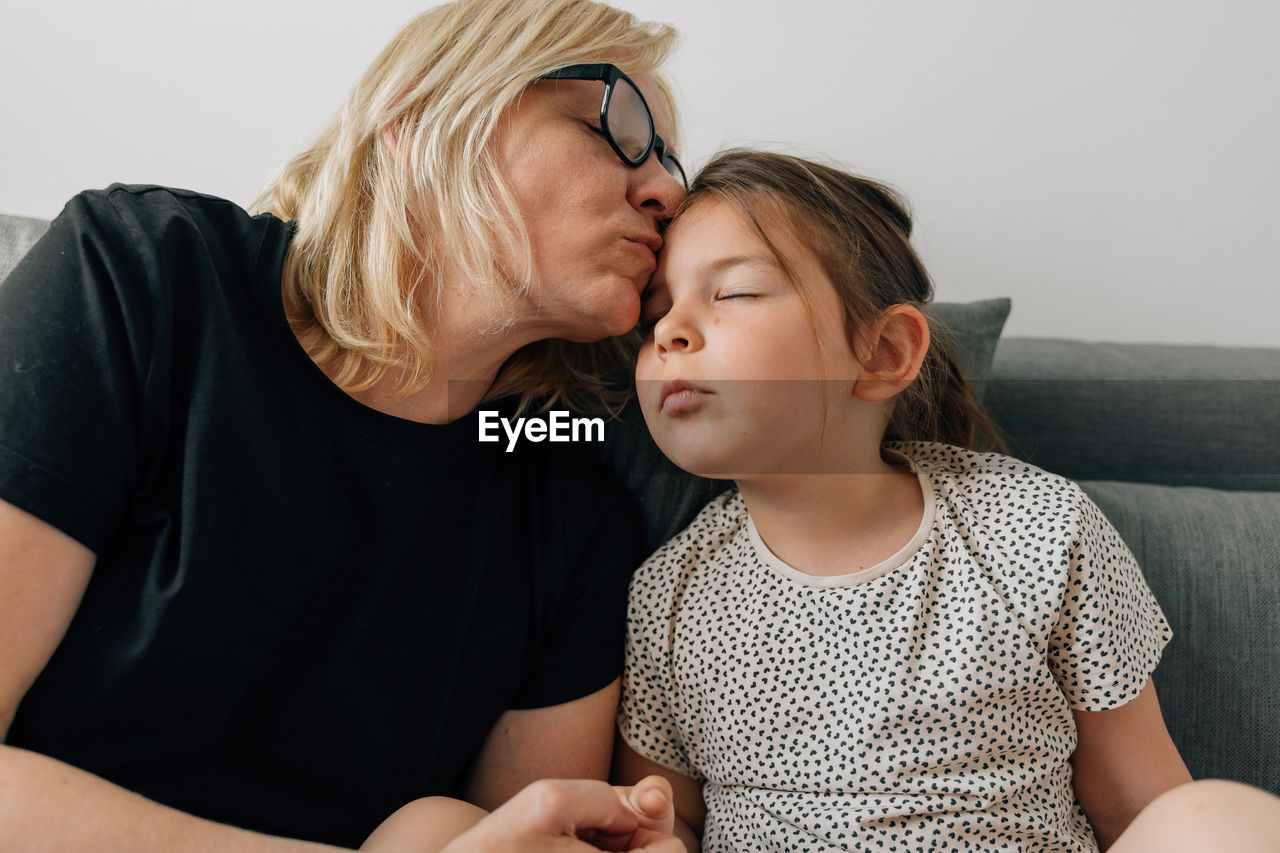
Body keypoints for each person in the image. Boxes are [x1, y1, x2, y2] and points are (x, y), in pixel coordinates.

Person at [0, 0, 690, 849]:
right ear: (423, 113)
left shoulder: (578, 516)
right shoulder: (144, 277)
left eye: (669, 161)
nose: (665, 188)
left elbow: (519, 831)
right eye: (614, 126)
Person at [611, 148, 1280, 852]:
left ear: (883, 352)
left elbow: (1140, 806)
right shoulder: (668, 592)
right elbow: (671, 815)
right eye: (653, 314)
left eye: (735, 292)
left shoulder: (1037, 528)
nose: (668, 332)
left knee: (1208, 816)